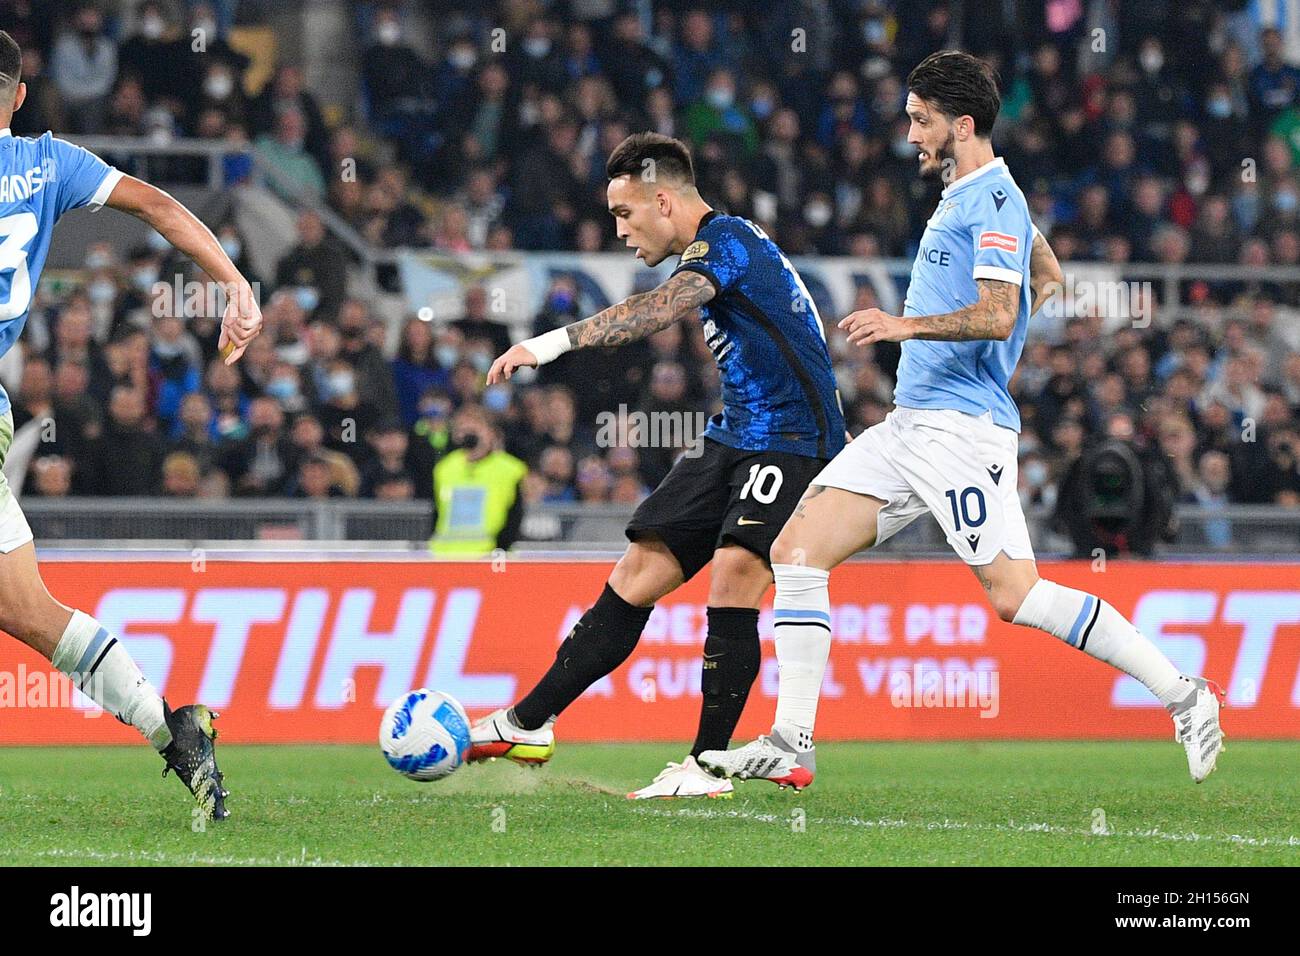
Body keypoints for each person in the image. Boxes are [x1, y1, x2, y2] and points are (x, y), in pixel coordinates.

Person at [700, 51, 1224, 790]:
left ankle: (1183, 695)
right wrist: (995, 350)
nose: (911, 134)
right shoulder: (973, 191)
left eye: (921, 121)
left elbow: (997, 310)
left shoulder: (992, 203)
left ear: (962, 124)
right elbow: (1048, 281)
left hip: (959, 434)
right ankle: (793, 741)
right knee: (795, 552)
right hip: (912, 425)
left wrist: (907, 327)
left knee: (1017, 596)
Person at [474, 132, 847, 799]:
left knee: (734, 576)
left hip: (794, 438)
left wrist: (550, 343)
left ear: (665, 201)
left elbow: (659, 309)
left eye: (624, 213)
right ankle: (528, 721)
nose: (619, 230)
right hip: (735, 435)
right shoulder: (720, 246)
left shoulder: (726, 240)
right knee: (639, 570)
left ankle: (706, 767)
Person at [0, 31, 262, 820]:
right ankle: (173, 730)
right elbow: (157, 204)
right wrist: (234, 283)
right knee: (24, 610)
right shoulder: (50, 162)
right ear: (17, 94)